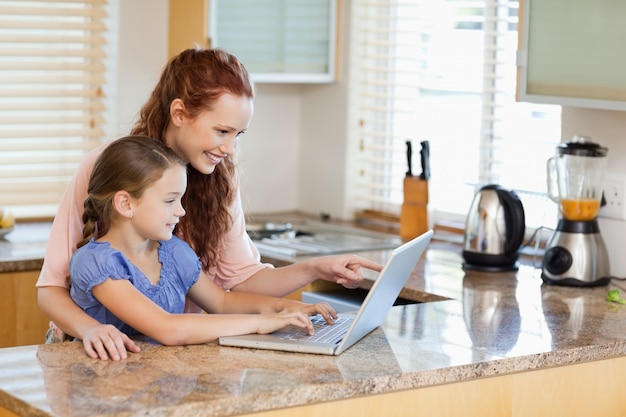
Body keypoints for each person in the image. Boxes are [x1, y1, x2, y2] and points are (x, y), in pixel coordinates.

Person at [37, 47, 382, 361]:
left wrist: (312, 272)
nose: (230, 149)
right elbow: (51, 288)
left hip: (170, 359)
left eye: (238, 135)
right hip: (96, 357)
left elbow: (232, 288)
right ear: (179, 113)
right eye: (221, 131)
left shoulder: (213, 188)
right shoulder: (107, 168)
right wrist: (90, 329)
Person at [69, 136, 336, 346]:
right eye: (170, 200)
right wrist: (262, 322)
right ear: (126, 203)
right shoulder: (97, 263)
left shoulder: (172, 252)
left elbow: (221, 303)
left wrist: (291, 309)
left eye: (181, 200)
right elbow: (167, 328)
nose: (181, 211)